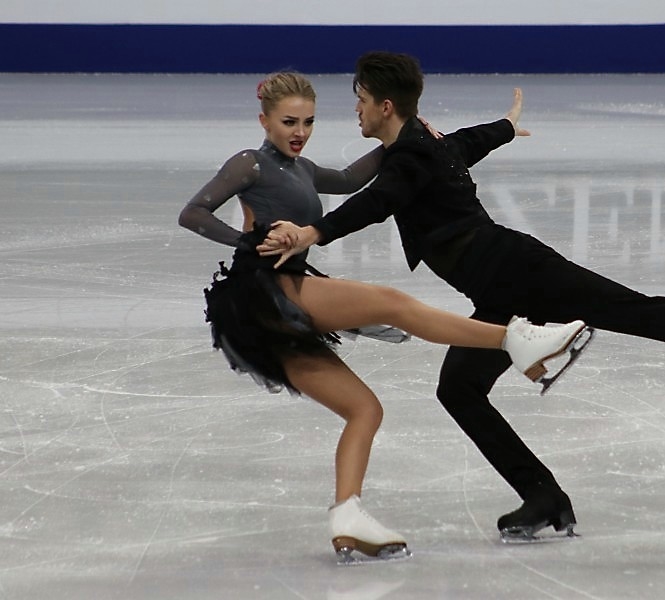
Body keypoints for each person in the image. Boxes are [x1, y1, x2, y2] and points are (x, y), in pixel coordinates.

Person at [258, 52, 665, 542]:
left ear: (386, 106)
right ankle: (543, 497)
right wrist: (506, 127)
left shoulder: (408, 155)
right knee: (459, 388)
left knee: (646, 314)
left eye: (360, 99)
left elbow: (378, 200)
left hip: (521, 273)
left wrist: (314, 233)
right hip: (501, 285)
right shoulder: (424, 142)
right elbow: (467, 143)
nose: (355, 109)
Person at [177, 70, 590, 562]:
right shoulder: (249, 163)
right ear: (264, 120)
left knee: (365, 410)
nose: (300, 132)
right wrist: (250, 240)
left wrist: (412, 130)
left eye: (308, 122)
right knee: (392, 303)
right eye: (289, 122)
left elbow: (354, 179)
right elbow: (194, 213)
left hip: (279, 304)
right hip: (262, 289)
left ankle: (347, 516)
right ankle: (516, 340)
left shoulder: (304, 169)